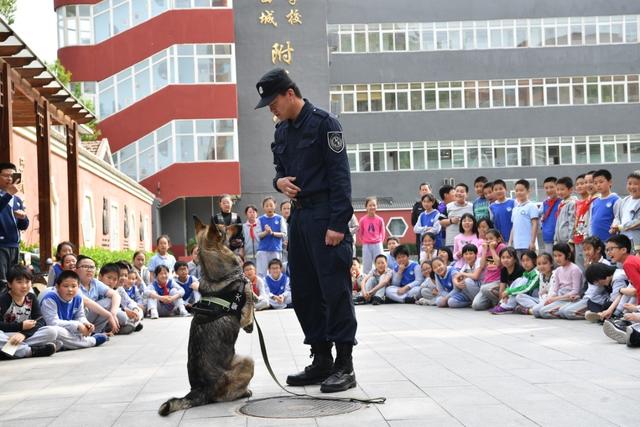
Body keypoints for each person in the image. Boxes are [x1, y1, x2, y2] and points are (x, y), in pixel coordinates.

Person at [257, 68, 357, 392]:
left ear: (289, 93)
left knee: (334, 291)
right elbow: (280, 171)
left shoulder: (325, 124)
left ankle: (345, 364)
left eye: (273, 102)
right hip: (298, 219)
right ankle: (321, 358)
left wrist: (338, 224)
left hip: (326, 215)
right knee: (304, 292)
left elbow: (341, 177)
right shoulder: (282, 132)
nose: (271, 109)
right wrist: (278, 182)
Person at [41, 270, 109, 349]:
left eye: (73, 286)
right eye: (66, 286)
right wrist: (77, 325)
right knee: (55, 331)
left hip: (68, 330)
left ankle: (65, 345)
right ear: (57, 286)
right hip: (51, 331)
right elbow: (52, 323)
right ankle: (92, 341)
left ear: (78, 287)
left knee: (76, 331)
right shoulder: (50, 298)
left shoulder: (78, 298)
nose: (70, 289)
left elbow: (80, 316)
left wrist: (86, 323)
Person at [0, 266, 58, 359]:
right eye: (19, 282)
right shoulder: (3, 299)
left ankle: (8, 351)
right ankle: (30, 351)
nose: (24, 286)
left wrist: (23, 334)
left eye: (27, 282)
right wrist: (20, 326)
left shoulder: (31, 297)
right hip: (7, 335)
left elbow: (40, 320)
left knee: (52, 331)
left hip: (25, 336)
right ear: (10, 284)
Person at [76, 256, 124, 335]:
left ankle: (96, 332)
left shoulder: (94, 282)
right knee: (108, 304)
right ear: (76, 270)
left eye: (92, 267)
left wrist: (113, 313)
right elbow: (87, 302)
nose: (89, 269)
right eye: (85, 266)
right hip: (79, 318)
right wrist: (109, 315)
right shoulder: (74, 283)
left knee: (112, 304)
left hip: (91, 316)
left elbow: (116, 294)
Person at [534, 243, 583, 319]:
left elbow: (575, 291)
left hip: (569, 299)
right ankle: (559, 310)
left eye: (560, 255)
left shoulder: (574, 269)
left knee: (543, 312)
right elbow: (555, 290)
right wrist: (550, 298)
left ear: (568, 255)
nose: (557, 258)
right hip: (559, 298)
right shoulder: (558, 270)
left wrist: (555, 299)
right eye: (555, 256)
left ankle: (563, 311)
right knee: (535, 310)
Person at [0, 162, 29, 290]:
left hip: (14, 245)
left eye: (13, 176)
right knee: (2, 282)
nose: (10, 179)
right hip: (1, 246)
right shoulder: (8, 196)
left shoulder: (16, 199)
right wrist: (9, 194)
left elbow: (24, 226)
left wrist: (23, 218)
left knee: (14, 282)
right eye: (6, 175)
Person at [491, 250, 539, 315]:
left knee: (519, 292)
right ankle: (505, 304)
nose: (525, 263)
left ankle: (507, 307)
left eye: (528, 260)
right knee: (519, 283)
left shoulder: (536, 273)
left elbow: (527, 288)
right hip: (529, 298)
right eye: (523, 261)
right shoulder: (526, 273)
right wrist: (507, 292)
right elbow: (515, 286)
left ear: (534, 261)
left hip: (538, 299)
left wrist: (509, 291)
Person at [101, 263, 143, 333]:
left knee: (139, 311)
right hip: (107, 315)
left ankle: (122, 326)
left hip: (116, 313)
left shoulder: (120, 289)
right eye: (121, 275)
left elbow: (129, 301)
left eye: (126, 275)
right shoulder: (103, 287)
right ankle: (113, 328)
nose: (123, 278)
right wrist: (125, 311)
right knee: (122, 316)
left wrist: (135, 309)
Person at [472, 229, 506, 310]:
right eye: (486, 239)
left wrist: (492, 249)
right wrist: (484, 250)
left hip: (498, 281)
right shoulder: (485, 248)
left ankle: (499, 302)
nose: (488, 241)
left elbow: (499, 264)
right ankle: (491, 302)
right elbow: (482, 265)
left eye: (491, 238)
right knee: (476, 305)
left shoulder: (502, 247)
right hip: (487, 282)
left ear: (498, 239)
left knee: (484, 288)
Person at [256, 196, 287, 278]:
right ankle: (262, 290)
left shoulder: (280, 218)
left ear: (275, 205)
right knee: (261, 273)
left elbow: (284, 234)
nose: (269, 207)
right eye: (266, 206)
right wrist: (266, 232)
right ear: (263, 207)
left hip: (275, 249)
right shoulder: (260, 219)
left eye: (271, 205)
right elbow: (258, 235)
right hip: (263, 250)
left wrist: (272, 233)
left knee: (276, 272)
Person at [508, 179, 539, 258]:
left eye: (521, 190)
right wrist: (510, 242)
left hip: (527, 244)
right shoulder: (515, 209)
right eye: (517, 190)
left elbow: (535, 224)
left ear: (528, 191)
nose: (518, 192)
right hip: (517, 245)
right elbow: (513, 227)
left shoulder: (531, 206)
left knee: (530, 266)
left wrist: (532, 242)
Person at [611, 170, 640, 252]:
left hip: (637, 243)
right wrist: (614, 225)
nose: (632, 187)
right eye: (629, 183)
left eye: (636, 184)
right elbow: (617, 217)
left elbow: (638, 221)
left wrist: (621, 227)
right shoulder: (623, 201)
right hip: (622, 241)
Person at [589, 169, 620, 243]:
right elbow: (591, 221)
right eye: (595, 183)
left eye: (601, 182)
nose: (598, 185)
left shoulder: (616, 199)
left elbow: (617, 218)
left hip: (610, 241)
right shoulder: (594, 202)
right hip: (595, 242)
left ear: (610, 182)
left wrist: (614, 229)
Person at [357, 197, 386, 274]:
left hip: (377, 244)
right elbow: (360, 233)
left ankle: (381, 279)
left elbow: (383, 232)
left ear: (377, 206)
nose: (372, 207)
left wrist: (380, 241)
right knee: (367, 265)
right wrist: (363, 241)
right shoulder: (362, 220)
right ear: (366, 207)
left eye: (374, 205)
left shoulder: (380, 219)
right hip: (367, 245)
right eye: (370, 205)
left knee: (380, 263)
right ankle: (367, 282)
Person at [441, 183, 473, 252]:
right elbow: (440, 222)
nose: (459, 193)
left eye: (462, 191)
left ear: (467, 194)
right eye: (457, 191)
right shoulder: (447, 206)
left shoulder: (472, 207)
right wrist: (451, 221)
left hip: (468, 241)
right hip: (451, 242)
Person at [573, 172, 595, 268]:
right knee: (580, 266)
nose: (580, 186)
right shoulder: (577, 203)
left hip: (587, 238)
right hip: (577, 238)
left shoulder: (592, 200)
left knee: (589, 266)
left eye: (583, 183)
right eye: (577, 184)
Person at [489, 179, 515, 244]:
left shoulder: (513, 202)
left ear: (506, 189)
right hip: (501, 240)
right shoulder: (491, 207)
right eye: (496, 189)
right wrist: (498, 236)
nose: (498, 191)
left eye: (501, 188)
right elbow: (493, 224)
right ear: (493, 192)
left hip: (515, 238)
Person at [554, 177, 576, 246]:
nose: (559, 192)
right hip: (560, 239)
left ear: (570, 190)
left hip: (567, 240)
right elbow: (557, 223)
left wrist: (571, 239)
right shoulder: (561, 203)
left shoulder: (572, 203)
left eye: (562, 189)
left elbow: (572, 222)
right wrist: (555, 239)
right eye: (557, 189)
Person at [539, 177, 560, 254]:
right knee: (549, 261)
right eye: (546, 188)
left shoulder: (562, 202)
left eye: (551, 187)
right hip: (547, 237)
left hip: (559, 238)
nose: (549, 190)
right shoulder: (545, 203)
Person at [411, 183, 432, 248]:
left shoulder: (437, 204)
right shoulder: (417, 206)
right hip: (421, 236)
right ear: (420, 192)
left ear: (430, 190)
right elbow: (414, 222)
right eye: (422, 190)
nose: (424, 191)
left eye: (426, 189)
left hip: (434, 235)